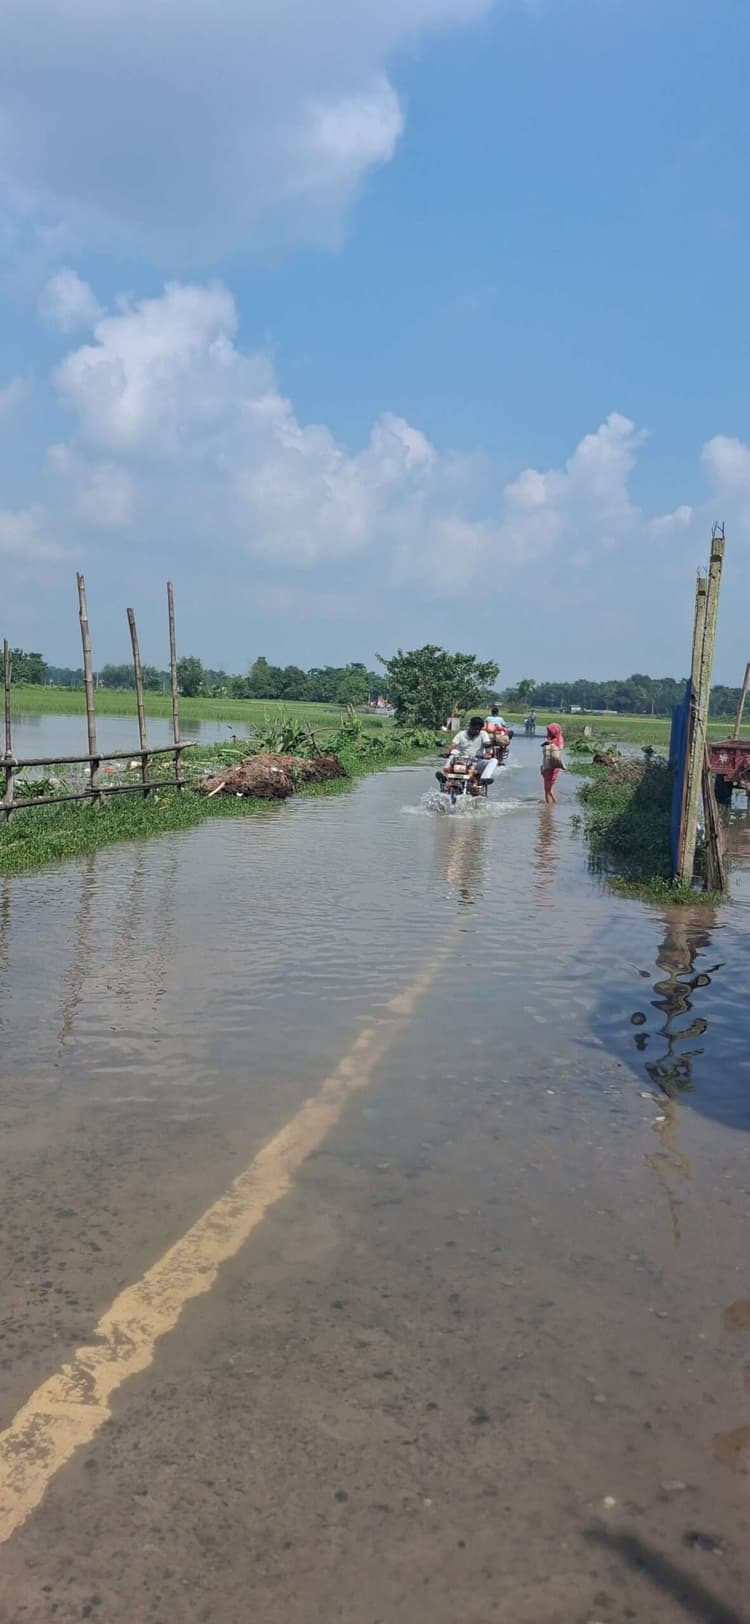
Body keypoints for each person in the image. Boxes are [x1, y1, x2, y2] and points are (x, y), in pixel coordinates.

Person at [436, 716, 491, 790]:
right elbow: (453, 745)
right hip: (462, 760)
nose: (477, 731)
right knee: (453, 753)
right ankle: (446, 776)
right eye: (475, 728)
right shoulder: (461, 734)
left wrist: (487, 752)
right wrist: (447, 751)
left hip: (476, 761)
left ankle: (483, 780)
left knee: (494, 761)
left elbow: (486, 743)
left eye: (479, 729)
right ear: (470, 726)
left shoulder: (483, 734)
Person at [540, 722, 565, 804]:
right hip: (555, 767)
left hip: (548, 768)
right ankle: (554, 804)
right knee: (549, 789)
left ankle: (548, 810)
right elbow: (560, 748)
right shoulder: (560, 738)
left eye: (549, 731)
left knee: (547, 790)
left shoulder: (552, 741)